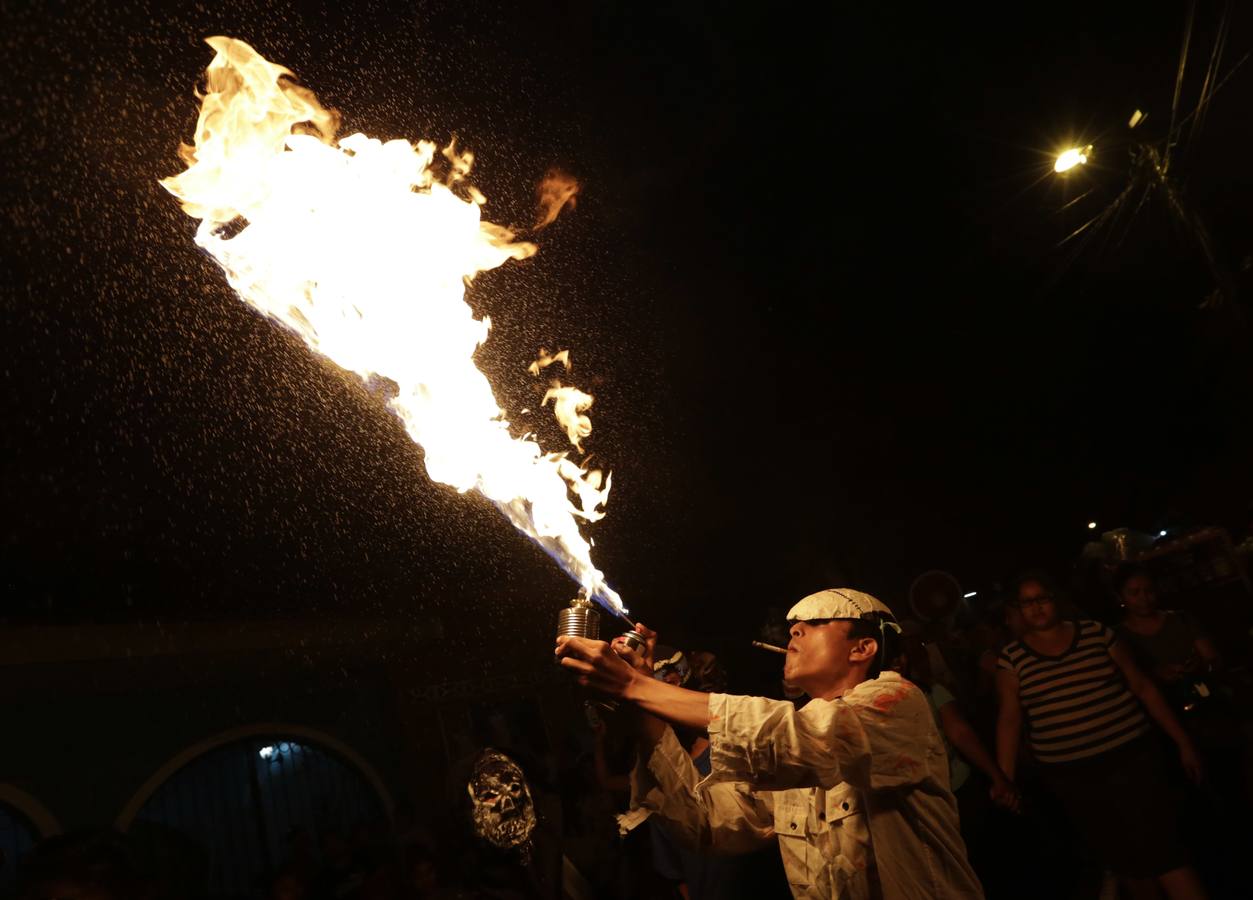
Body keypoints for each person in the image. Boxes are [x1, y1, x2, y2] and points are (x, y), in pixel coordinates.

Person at [556, 588, 984, 899]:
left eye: (813, 624)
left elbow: (799, 736)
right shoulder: (795, 755)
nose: (793, 630)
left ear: (863, 648)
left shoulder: (897, 701)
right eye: (793, 626)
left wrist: (635, 686)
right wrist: (643, 704)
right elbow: (710, 823)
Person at [994, 571, 1208, 900]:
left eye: (1042, 598)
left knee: (1163, 848)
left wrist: (1182, 742)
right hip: (1073, 776)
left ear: (1056, 600)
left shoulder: (1096, 634)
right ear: (1018, 609)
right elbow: (1010, 720)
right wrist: (1005, 779)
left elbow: (1142, 687)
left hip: (1132, 760)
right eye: (1027, 602)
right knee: (1124, 858)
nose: (1036, 607)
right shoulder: (1012, 659)